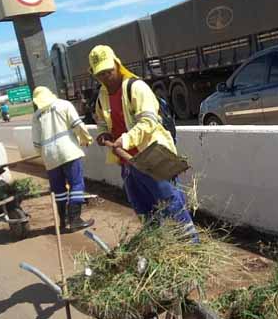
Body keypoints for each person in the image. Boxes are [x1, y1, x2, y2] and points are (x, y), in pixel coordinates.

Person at [88, 45, 198, 241]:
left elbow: (148, 121)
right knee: (143, 207)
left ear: (117, 65)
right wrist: (104, 133)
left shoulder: (136, 88)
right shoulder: (102, 97)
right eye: (100, 74)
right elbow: (102, 120)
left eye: (108, 71)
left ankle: (190, 245)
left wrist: (126, 139)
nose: (106, 77)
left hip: (151, 156)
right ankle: (157, 244)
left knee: (170, 202)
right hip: (128, 162)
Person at [31, 86, 95, 233]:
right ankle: (75, 220)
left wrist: (43, 155)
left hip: (50, 157)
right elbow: (78, 125)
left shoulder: (36, 116)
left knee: (58, 189)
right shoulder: (64, 104)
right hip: (69, 152)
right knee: (76, 184)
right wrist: (86, 139)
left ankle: (63, 221)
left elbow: (36, 143)